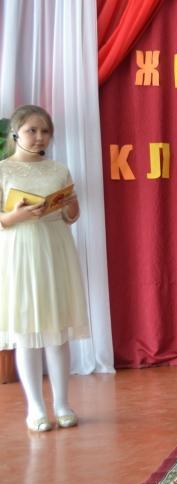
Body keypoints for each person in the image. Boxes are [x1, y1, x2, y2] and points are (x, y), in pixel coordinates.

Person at [0, 105, 89, 432]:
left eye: (45, 131)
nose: (39, 137)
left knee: (57, 330)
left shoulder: (58, 169)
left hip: (55, 248)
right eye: (31, 130)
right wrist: (16, 215)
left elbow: (71, 216)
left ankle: (62, 404)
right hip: (20, 251)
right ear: (15, 133)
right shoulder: (3, 170)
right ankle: (35, 409)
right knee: (27, 331)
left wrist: (70, 203)